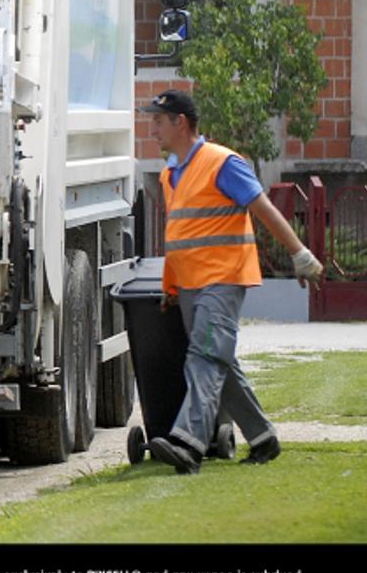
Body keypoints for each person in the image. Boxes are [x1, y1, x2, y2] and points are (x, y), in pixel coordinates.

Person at [138, 90, 324, 475]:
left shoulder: (223, 163)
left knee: (205, 358)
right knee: (220, 362)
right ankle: (263, 438)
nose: (152, 128)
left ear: (181, 123)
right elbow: (180, 236)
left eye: (158, 120)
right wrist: (171, 288)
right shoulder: (171, 174)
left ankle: (188, 443)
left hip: (222, 280)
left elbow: (265, 209)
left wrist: (299, 254)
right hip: (190, 286)